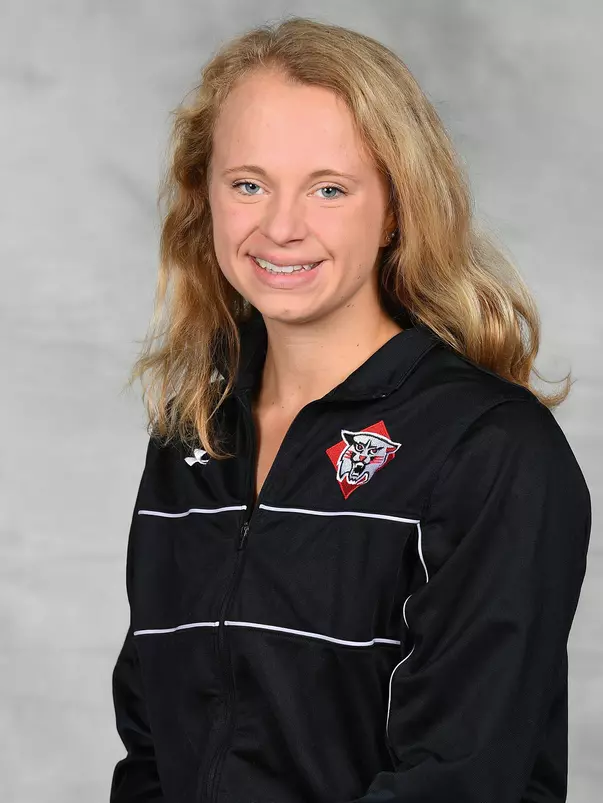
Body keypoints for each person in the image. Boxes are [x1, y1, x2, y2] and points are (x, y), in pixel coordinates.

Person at [109, 16, 591, 803]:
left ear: (396, 208)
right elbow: (153, 756)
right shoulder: (192, 436)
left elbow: (461, 781)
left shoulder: (489, 448)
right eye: (248, 183)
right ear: (206, 197)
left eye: (328, 188)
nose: (281, 226)